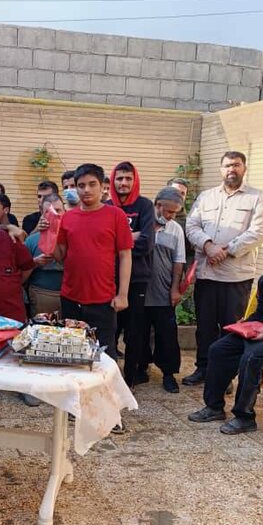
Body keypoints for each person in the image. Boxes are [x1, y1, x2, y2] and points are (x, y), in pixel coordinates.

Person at [183, 151, 263, 385]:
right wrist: (208, 246)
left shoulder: (256, 197)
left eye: (236, 165)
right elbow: (192, 226)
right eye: (228, 165)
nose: (232, 169)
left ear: (244, 168)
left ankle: (224, 376)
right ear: (221, 169)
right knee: (205, 327)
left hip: (236, 277)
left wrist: (226, 250)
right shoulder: (206, 197)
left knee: (231, 328)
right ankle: (203, 369)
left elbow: (258, 232)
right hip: (207, 274)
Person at [188, 234, 263, 432]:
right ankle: (214, 406)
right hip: (261, 331)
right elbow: (261, 313)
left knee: (251, 358)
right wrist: (245, 324)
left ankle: (244, 417)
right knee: (218, 349)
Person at [52, 163, 132, 364]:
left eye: (92, 184)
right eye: (81, 185)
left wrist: (122, 294)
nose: (86, 190)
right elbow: (60, 256)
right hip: (71, 298)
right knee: (71, 353)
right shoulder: (68, 218)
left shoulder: (116, 215)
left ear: (102, 186)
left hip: (103, 299)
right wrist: (49, 232)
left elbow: (125, 255)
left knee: (104, 357)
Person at [106, 161, 155, 382]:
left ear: (135, 181)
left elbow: (147, 243)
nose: (123, 183)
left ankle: (131, 379)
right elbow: (102, 243)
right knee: (110, 330)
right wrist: (131, 236)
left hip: (137, 279)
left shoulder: (145, 206)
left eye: (128, 178)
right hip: (109, 278)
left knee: (134, 332)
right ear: (113, 181)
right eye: (119, 178)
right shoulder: (106, 207)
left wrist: (118, 240)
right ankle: (109, 378)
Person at [139, 187, 187, 393]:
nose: (171, 216)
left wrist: (175, 289)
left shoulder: (175, 229)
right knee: (138, 332)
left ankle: (168, 373)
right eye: (169, 211)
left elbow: (179, 261)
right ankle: (140, 367)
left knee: (167, 335)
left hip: (163, 290)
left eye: (175, 213)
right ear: (158, 205)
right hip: (140, 290)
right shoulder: (142, 223)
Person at [24, 193, 64, 316]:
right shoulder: (32, 240)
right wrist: (34, 262)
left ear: (64, 211)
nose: (54, 215)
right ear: (42, 213)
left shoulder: (74, 237)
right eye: (48, 212)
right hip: (40, 295)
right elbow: (21, 275)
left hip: (69, 297)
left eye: (58, 210)